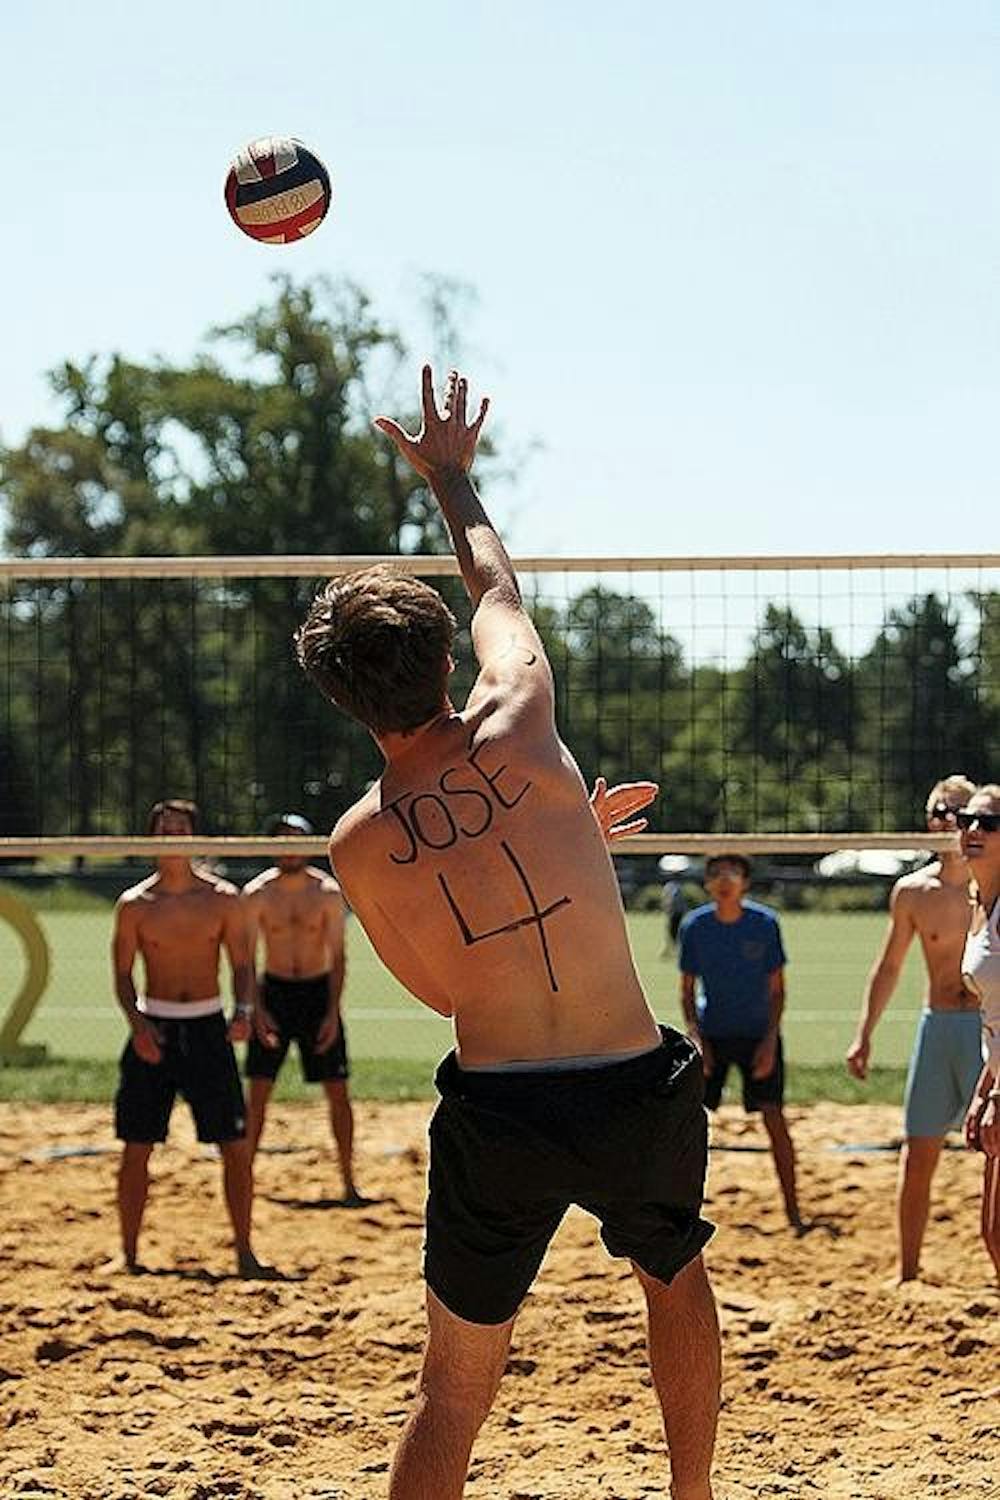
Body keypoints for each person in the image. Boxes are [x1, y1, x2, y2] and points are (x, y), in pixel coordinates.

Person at [294, 366, 720, 1500]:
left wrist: (559, 841)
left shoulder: (357, 844)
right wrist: (449, 477)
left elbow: (444, 991)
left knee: (453, 1388)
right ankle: (691, 1495)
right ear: (443, 661)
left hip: (502, 1109)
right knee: (673, 1282)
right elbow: (496, 584)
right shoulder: (520, 712)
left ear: (339, 697)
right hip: (632, 1080)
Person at [110, 799, 268, 1277]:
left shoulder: (223, 899)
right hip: (154, 1028)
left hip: (206, 1028)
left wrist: (243, 1011)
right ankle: (129, 1256)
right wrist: (138, 1026)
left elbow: (242, 965)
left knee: (235, 1148)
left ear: (196, 837)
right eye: (164, 827)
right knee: (136, 1146)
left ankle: (244, 1252)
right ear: (151, 838)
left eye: (181, 827)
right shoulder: (135, 904)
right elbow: (122, 975)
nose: (172, 834)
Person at [845, 774, 982, 1282]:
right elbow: (889, 967)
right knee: (918, 1150)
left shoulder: (991, 885)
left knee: (994, 1155)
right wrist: (864, 1034)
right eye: (938, 811)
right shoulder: (912, 891)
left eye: (957, 812)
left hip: (988, 1030)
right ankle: (908, 1273)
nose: (945, 820)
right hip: (939, 1027)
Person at [242, 812, 363, 1204]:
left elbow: (339, 958)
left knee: (337, 1091)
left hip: (316, 995)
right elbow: (245, 958)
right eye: (281, 839)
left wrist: (331, 1012)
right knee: (258, 1089)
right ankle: (245, 1175)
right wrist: (255, 1010)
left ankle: (348, 1181)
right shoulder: (258, 893)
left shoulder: (327, 892)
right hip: (274, 993)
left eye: (296, 839)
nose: (289, 847)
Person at [678, 854, 802, 1231]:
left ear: (745, 882)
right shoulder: (695, 926)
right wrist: (697, 1037)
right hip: (713, 1032)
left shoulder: (764, 923)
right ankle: (681, 1214)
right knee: (688, 1125)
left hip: (756, 1033)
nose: (724, 879)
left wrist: (769, 1041)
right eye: (716, 873)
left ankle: (794, 1212)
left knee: (774, 1118)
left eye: (733, 872)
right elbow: (686, 991)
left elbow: (778, 991)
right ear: (707, 884)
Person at [958, 784, 1000, 1281]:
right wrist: (985, 1089)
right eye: (966, 819)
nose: (972, 829)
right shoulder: (979, 902)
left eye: (989, 823)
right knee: (992, 1234)